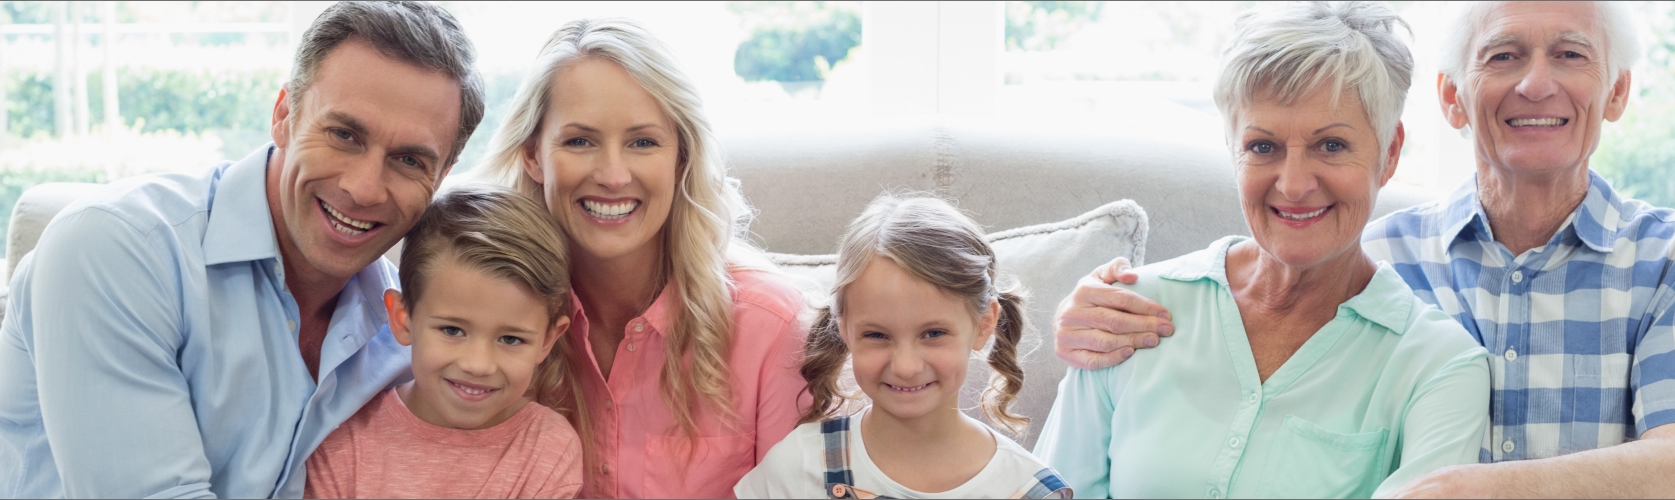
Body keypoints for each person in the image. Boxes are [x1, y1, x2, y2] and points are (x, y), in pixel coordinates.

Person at [1054, 1, 1675, 497]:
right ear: (1451, 99)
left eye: (1570, 54)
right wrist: (1085, 315)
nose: (1536, 82)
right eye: (1503, 55)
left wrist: (1465, 491)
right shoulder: (1376, 249)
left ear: (1617, 91)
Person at [0, 2, 484, 497]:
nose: (365, 188)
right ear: (284, 115)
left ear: (442, 176)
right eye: (344, 134)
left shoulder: (407, 338)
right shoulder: (116, 248)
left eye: (410, 160)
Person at [1034, 2, 1492, 498]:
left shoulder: (1437, 365)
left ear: (1390, 152)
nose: (1293, 185)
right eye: (1263, 147)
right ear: (1232, 148)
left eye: (1331, 145)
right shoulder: (1125, 312)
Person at [478, 18, 809, 498]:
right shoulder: (479, 317)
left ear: (681, 158)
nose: (613, 175)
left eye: (642, 142)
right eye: (579, 141)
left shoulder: (773, 330)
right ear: (533, 155)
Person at [734, 195, 1072, 499]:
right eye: (877, 336)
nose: (906, 366)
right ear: (845, 331)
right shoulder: (798, 466)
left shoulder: (1029, 489)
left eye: (934, 333)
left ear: (984, 324)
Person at [303, 185, 583, 498]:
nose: (478, 365)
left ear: (547, 340)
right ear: (402, 318)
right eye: (452, 330)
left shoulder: (548, 448)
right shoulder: (343, 440)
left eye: (510, 339)